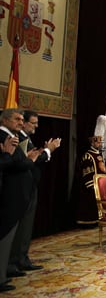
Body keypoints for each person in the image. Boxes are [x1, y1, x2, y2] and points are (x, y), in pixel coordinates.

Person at [8, 110, 60, 276]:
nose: (36, 126)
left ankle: (22, 259)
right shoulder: (18, 139)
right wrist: (49, 150)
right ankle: (14, 261)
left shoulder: (26, 138)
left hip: (29, 186)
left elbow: (34, 158)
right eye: (33, 123)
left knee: (26, 226)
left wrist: (43, 151)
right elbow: (32, 161)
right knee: (21, 226)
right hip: (20, 187)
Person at [0, 109, 40, 292]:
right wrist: (30, 159)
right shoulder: (4, 137)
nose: (20, 122)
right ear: (5, 120)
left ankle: (8, 269)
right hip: (10, 192)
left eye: (22, 119)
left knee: (13, 234)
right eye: (17, 119)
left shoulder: (13, 138)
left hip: (20, 190)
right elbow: (16, 164)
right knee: (6, 235)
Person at [75, 127, 106, 226]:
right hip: (91, 185)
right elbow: (87, 172)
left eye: (101, 142)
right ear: (92, 143)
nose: (100, 144)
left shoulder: (101, 155)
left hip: (102, 184)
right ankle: (89, 222)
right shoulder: (88, 156)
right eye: (98, 143)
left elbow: (105, 169)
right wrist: (93, 185)